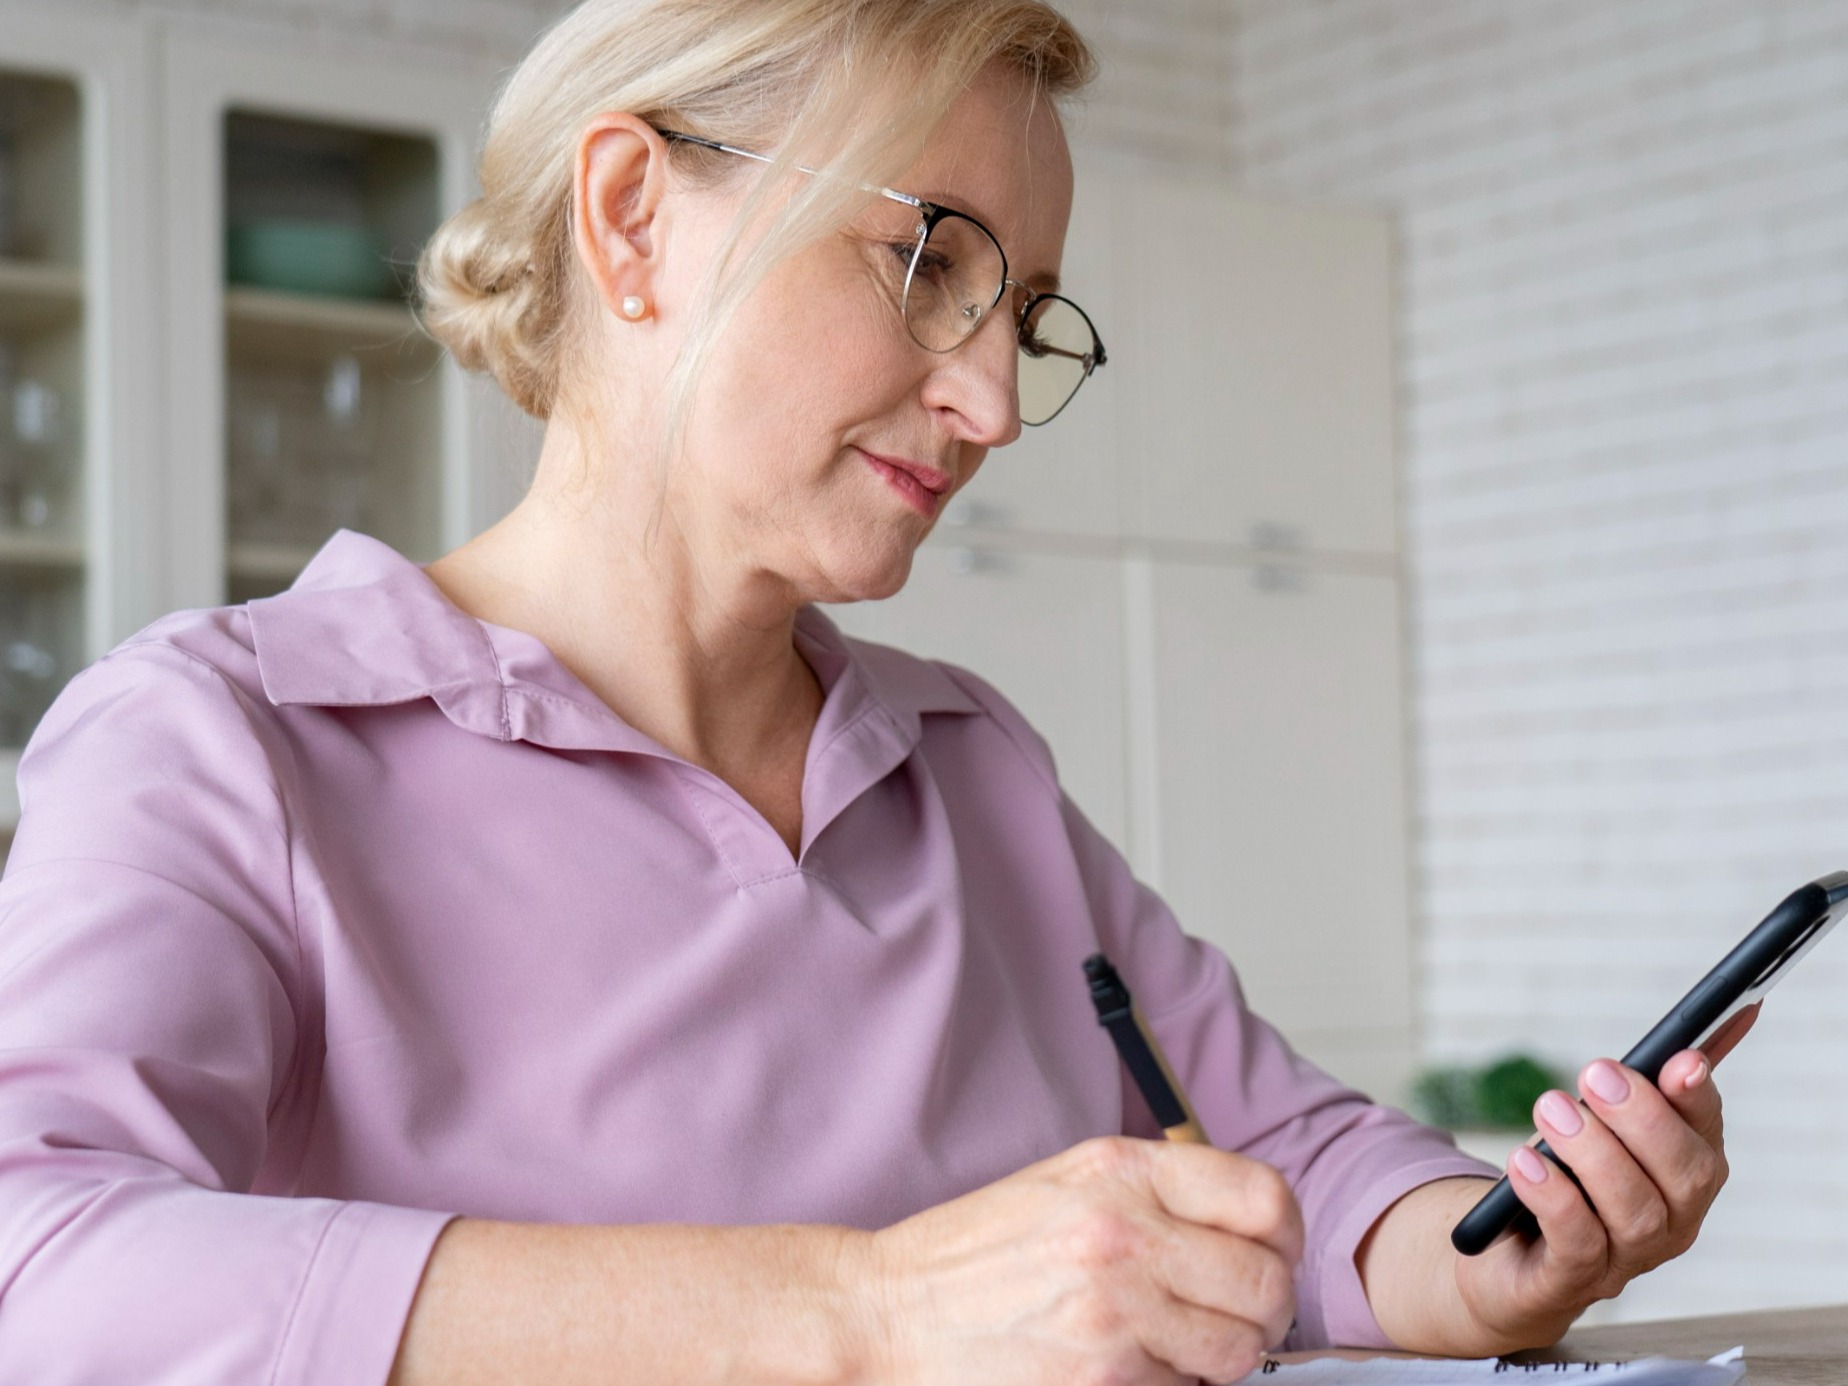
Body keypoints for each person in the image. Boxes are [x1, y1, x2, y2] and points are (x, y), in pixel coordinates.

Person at [0, 2, 1748, 1382]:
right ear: (632, 217)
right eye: (931, 263)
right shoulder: (224, 742)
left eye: (1025, 315)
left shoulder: (966, 766)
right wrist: (870, 1310)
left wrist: (1495, 1254)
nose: (993, 402)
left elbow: (1287, 1161)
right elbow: (41, 1265)